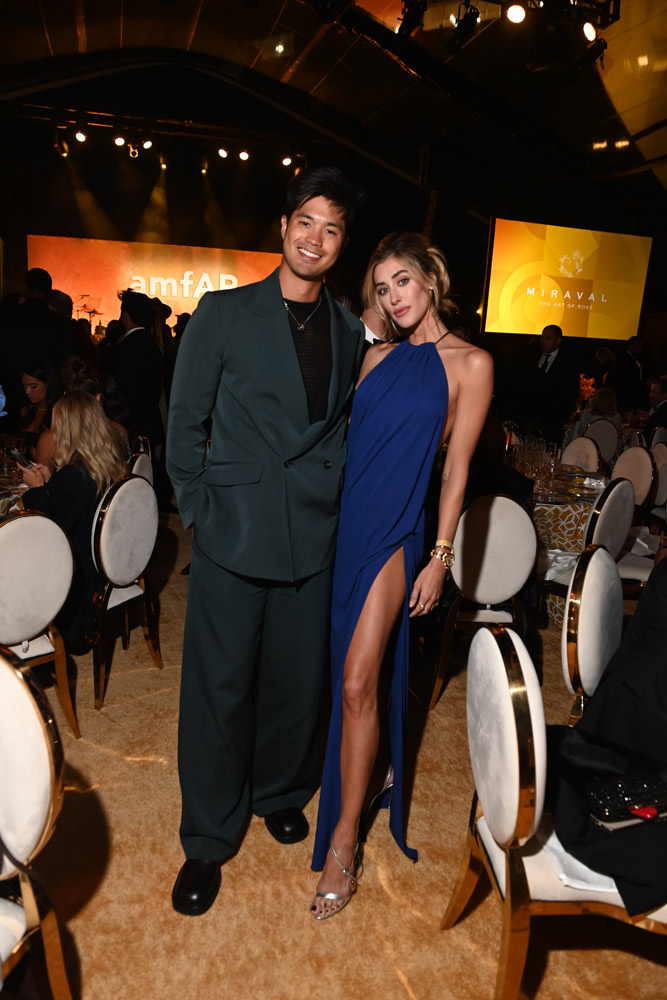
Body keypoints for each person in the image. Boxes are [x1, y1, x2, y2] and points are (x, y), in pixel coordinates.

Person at [166, 166, 366, 916]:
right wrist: (199, 509)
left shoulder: (351, 330)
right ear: (283, 227)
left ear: (342, 244)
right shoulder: (223, 313)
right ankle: (207, 839)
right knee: (219, 688)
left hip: (315, 532)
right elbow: (182, 424)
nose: (315, 238)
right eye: (305, 221)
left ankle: (280, 790)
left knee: (294, 680)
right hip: (234, 528)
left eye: (332, 228)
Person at [310, 232, 493, 919]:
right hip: (345, 526)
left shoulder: (470, 364)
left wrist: (439, 559)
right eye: (382, 288)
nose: (393, 297)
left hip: (394, 532)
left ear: (431, 278)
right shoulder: (373, 358)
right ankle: (375, 766)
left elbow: (456, 470)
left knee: (359, 678)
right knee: (343, 677)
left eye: (402, 282)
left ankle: (344, 842)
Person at [22, 393, 128, 645]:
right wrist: (51, 482)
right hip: (100, 560)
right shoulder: (107, 464)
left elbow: (48, 532)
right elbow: (74, 507)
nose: (52, 430)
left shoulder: (73, 476)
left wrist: (37, 490)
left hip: (75, 575)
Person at [525, 324, 580, 444]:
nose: (543, 341)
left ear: (558, 340)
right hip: (529, 419)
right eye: (542, 337)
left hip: (554, 422)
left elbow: (571, 392)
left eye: (548, 338)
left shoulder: (568, 363)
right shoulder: (531, 357)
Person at [19, 361, 61, 459]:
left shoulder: (60, 412)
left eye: (33, 386)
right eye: (24, 386)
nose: (27, 392)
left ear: (48, 384)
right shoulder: (25, 411)